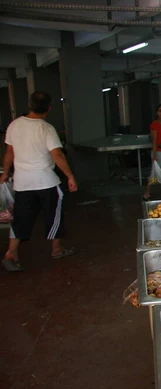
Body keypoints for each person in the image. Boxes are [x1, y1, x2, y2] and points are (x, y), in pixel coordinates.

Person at [0, 91, 78, 272]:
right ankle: (57, 249)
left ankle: (11, 252)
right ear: (49, 108)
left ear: (29, 105)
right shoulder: (46, 128)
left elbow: (9, 153)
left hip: (22, 183)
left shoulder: (14, 125)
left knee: (21, 218)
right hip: (46, 182)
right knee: (54, 215)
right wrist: (70, 176)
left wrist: (5, 174)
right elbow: (57, 155)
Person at [143, 103, 161, 200]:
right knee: (153, 174)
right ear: (157, 112)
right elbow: (154, 140)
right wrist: (154, 154)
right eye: (160, 111)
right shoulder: (154, 124)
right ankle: (147, 193)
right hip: (158, 151)